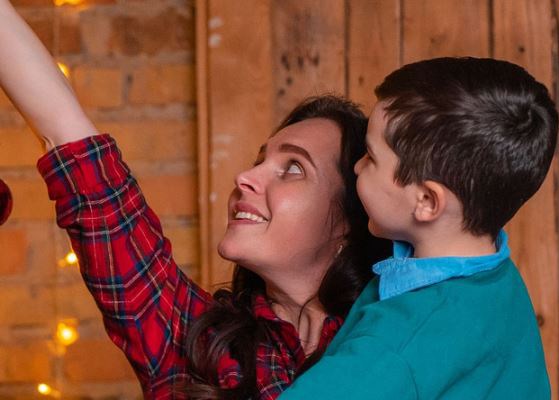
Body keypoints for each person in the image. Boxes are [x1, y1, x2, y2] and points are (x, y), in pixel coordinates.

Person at [0, 1, 390, 399]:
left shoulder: (396, 341)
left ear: (349, 218)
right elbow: (69, 138)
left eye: (292, 169)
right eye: (259, 160)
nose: (245, 177)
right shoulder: (196, 340)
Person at [279, 57, 557, 399]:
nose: (356, 166)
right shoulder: (496, 274)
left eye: (370, 157)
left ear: (426, 200)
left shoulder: (399, 341)